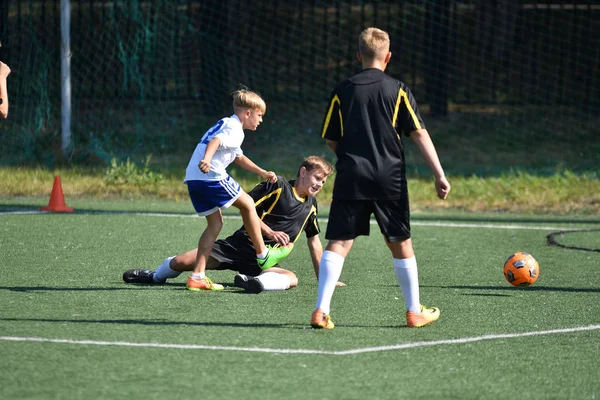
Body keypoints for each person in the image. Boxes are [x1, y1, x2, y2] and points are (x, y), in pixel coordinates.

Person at [311, 27, 451, 329]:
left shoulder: (343, 89)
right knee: (401, 243)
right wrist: (439, 174)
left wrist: (350, 159)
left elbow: (331, 139)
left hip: (352, 176)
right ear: (388, 57)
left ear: (358, 55)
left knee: (339, 243)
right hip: (390, 179)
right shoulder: (397, 89)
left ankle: (321, 310)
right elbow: (419, 134)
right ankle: (414, 311)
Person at [123, 156, 343, 293]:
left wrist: (325, 279)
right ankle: (153, 276)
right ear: (303, 172)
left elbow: (314, 243)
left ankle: (251, 282)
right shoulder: (278, 186)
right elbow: (246, 209)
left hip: (260, 266)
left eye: (323, 181)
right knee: (180, 262)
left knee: (291, 278)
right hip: (237, 247)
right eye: (317, 178)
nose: (320, 184)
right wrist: (269, 231)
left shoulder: (312, 207)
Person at [182, 88, 292, 291]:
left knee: (215, 224)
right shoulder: (234, 128)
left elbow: (238, 157)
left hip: (194, 178)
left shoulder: (227, 123)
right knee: (248, 203)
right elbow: (216, 142)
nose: (261, 120)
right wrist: (207, 160)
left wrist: (261, 172)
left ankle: (197, 275)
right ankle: (262, 254)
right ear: (247, 113)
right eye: (259, 115)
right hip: (210, 175)